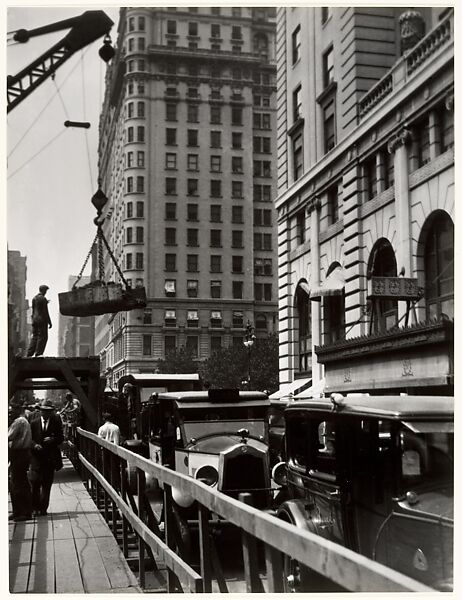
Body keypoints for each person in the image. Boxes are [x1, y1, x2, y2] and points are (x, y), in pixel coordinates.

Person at [29, 399, 64, 516]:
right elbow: (29, 439)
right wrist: (35, 445)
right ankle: (35, 508)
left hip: (50, 459)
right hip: (36, 459)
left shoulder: (56, 422)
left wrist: (52, 439)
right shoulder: (33, 423)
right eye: (44, 411)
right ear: (40, 411)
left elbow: (61, 438)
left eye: (48, 411)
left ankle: (43, 509)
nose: (46, 413)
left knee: (46, 485)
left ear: (51, 412)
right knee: (34, 484)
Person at [8, 403, 33, 521]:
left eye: (12, 410)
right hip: (22, 453)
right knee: (18, 482)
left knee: (18, 482)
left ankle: (24, 512)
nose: (10, 413)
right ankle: (18, 511)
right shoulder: (23, 421)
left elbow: (9, 436)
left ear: (18, 410)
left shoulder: (18, 422)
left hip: (19, 453)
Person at [26, 285, 52, 357]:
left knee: (35, 336)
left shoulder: (34, 298)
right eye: (45, 291)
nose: (46, 292)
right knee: (43, 336)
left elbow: (34, 309)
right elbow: (45, 311)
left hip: (34, 320)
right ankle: (39, 353)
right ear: (43, 290)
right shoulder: (43, 299)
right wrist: (49, 322)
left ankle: (29, 353)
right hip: (41, 320)